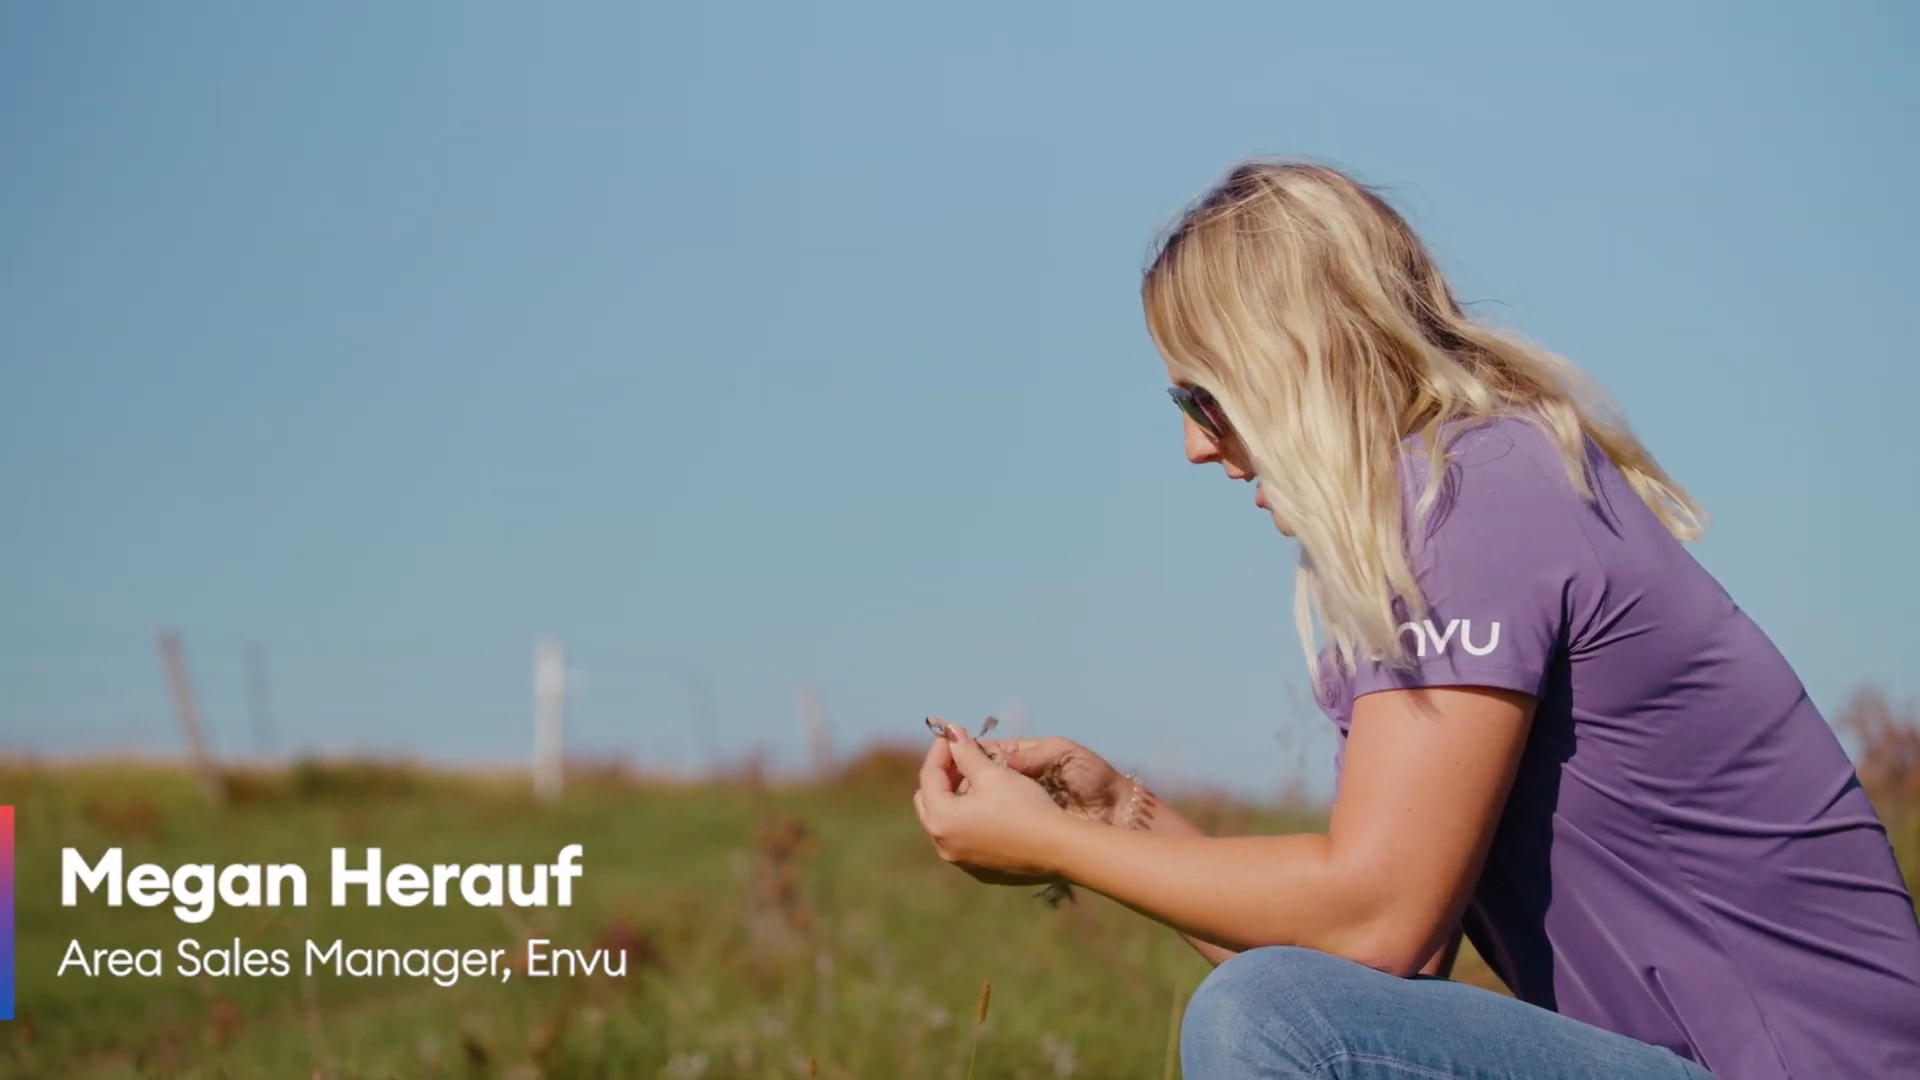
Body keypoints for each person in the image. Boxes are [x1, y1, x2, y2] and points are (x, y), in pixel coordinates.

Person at [910, 160, 1920, 1079]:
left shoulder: (1472, 502)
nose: (1192, 446)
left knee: (1262, 1019)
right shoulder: (1467, 494)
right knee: (1284, 1009)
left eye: (1203, 398)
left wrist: (1058, 850)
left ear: (1286, 364)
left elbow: (1377, 924)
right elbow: (1388, 956)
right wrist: (1116, 814)